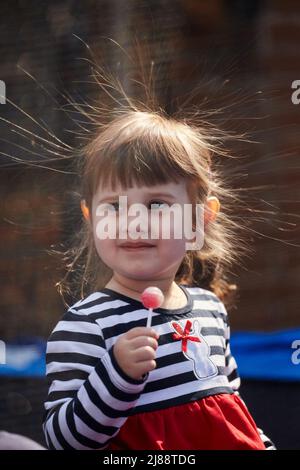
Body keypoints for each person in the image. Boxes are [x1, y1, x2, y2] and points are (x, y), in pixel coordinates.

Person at [42, 107, 275, 450]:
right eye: (114, 206)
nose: (134, 221)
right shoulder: (87, 325)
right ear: (90, 219)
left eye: (156, 205)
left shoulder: (210, 310)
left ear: (200, 218)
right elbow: (62, 442)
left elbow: (233, 413)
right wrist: (116, 374)